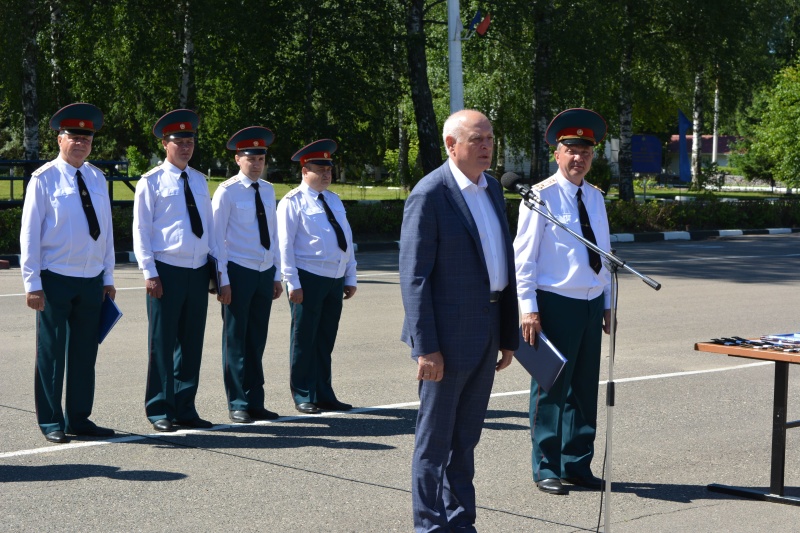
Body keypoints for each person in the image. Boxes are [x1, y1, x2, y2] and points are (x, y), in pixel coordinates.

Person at [400, 109, 518, 532]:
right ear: (452, 145)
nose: (487, 146)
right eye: (477, 138)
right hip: (446, 339)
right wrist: (425, 346)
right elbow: (414, 278)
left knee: (465, 440)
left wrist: (507, 335)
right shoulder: (430, 194)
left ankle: (460, 520)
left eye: (490, 137)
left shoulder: (490, 191)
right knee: (434, 442)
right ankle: (429, 525)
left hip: (486, 331)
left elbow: (501, 263)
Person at [513, 108, 612, 495]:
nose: (578, 159)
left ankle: (577, 463)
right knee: (552, 387)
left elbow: (604, 253)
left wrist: (607, 304)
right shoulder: (540, 197)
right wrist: (528, 307)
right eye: (571, 150)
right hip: (554, 303)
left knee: (584, 389)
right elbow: (524, 256)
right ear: (557, 153)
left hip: (590, 304)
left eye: (585, 152)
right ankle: (546, 466)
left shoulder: (595, 197)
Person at [20, 102, 116, 444]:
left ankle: (79, 418)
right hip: (55, 278)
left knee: (84, 353)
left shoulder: (97, 177)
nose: (80, 142)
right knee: (52, 351)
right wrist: (32, 283)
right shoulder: (44, 179)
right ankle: (51, 421)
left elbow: (104, 230)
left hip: (91, 279)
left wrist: (108, 278)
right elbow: (29, 234)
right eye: (73, 136)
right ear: (60, 139)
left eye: (86, 137)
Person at [133, 108, 214, 433]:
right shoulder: (151, 181)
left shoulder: (199, 179)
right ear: (165, 144)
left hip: (197, 271)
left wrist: (216, 272)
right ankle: (159, 409)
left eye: (189, 141)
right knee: (162, 343)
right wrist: (149, 271)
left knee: (191, 343)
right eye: (179, 141)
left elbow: (208, 228)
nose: (185, 147)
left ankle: (184, 406)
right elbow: (141, 229)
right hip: (166, 270)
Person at [276, 139, 357, 415]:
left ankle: (324, 392)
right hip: (307, 280)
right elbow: (284, 246)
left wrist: (350, 276)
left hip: (334, 279)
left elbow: (346, 238)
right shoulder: (292, 202)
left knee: (325, 339)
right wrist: (292, 282)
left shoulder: (333, 200)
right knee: (304, 338)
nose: (326, 174)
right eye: (319, 169)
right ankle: (303, 394)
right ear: (304, 170)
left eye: (329, 169)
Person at [211, 126, 283, 424]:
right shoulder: (227, 191)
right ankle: (238, 401)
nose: (256, 163)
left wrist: (276, 274)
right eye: (250, 158)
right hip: (238, 272)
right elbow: (216, 240)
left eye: (261, 158)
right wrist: (222, 280)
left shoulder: (267, 190)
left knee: (256, 340)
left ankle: (256, 400)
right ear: (238, 159)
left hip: (263, 271)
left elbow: (274, 236)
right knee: (236, 340)